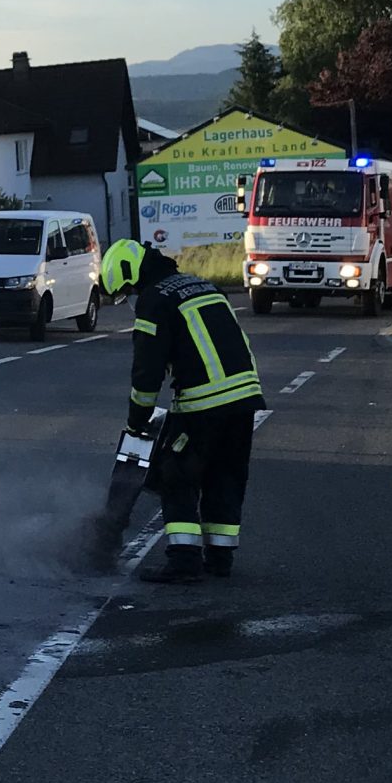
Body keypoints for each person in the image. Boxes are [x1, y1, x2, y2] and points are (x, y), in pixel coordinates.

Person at [100, 237, 266, 583]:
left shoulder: (153, 300)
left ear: (132, 277)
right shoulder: (203, 285)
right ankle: (220, 559)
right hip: (245, 398)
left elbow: (147, 372)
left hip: (203, 403)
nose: (129, 300)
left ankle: (183, 560)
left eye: (126, 292)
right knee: (225, 476)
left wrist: (137, 420)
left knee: (177, 476)